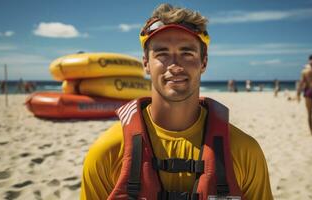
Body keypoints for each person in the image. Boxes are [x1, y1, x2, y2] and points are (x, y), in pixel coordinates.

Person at [80, 4, 272, 200]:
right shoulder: (107, 151)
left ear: (204, 62)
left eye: (186, 53)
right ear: (146, 63)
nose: (174, 65)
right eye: (162, 54)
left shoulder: (244, 150)